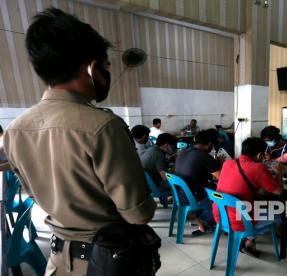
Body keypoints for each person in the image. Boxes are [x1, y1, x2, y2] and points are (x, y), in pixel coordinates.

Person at [3, 8, 156, 274]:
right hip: (107, 261)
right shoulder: (103, 126)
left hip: (58, 259)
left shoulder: (15, 131)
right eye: (107, 66)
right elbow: (138, 214)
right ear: (92, 68)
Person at [213, 137, 283, 257]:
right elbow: (278, 191)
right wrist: (279, 173)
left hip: (220, 215)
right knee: (279, 213)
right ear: (260, 155)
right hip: (240, 221)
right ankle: (248, 237)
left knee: (259, 203)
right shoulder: (258, 168)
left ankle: (247, 240)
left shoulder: (227, 163)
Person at [175, 129, 222, 233]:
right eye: (213, 146)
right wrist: (221, 164)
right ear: (210, 143)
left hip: (180, 195)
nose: (213, 149)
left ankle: (199, 218)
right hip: (193, 197)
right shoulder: (203, 156)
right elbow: (222, 178)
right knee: (226, 194)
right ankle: (205, 219)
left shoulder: (184, 152)